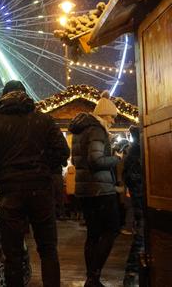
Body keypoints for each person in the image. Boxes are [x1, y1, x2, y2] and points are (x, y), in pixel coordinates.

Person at [0, 80, 70, 287]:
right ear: (25, 95)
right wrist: (43, 167)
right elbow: (62, 151)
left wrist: (0, 171)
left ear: (3, 97)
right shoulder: (43, 121)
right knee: (48, 249)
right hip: (41, 191)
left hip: (10, 192)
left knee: (12, 253)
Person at [69, 90, 122, 287]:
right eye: (112, 117)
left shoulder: (79, 131)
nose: (114, 121)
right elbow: (96, 159)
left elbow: (77, 160)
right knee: (111, 230)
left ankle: (92, 277)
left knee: (93, 234)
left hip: (85, 191)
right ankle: (93, 276)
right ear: (104, 115)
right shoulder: (97, 130)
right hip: (100, 190)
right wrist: (116, 159)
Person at [122, 126, 144, 287]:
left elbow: (127, 177)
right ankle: (133, 273)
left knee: (141, 235)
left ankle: (132, 272)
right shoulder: (140, 153)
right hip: (142, 199)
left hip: (138, 198)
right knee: (142, 236)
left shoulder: (131, 153)